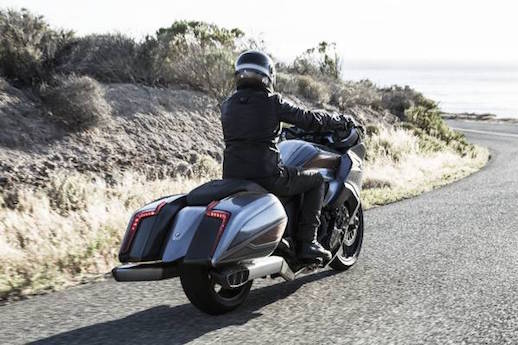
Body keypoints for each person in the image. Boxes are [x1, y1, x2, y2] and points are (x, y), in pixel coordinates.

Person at [220, 50, 357, 262]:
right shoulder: (271, 102)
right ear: (267, 76)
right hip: (267, 175)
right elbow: (308, 119)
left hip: (232, 176)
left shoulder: (227, 105)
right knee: (316, 179)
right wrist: (336, 122)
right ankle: (308, 242)